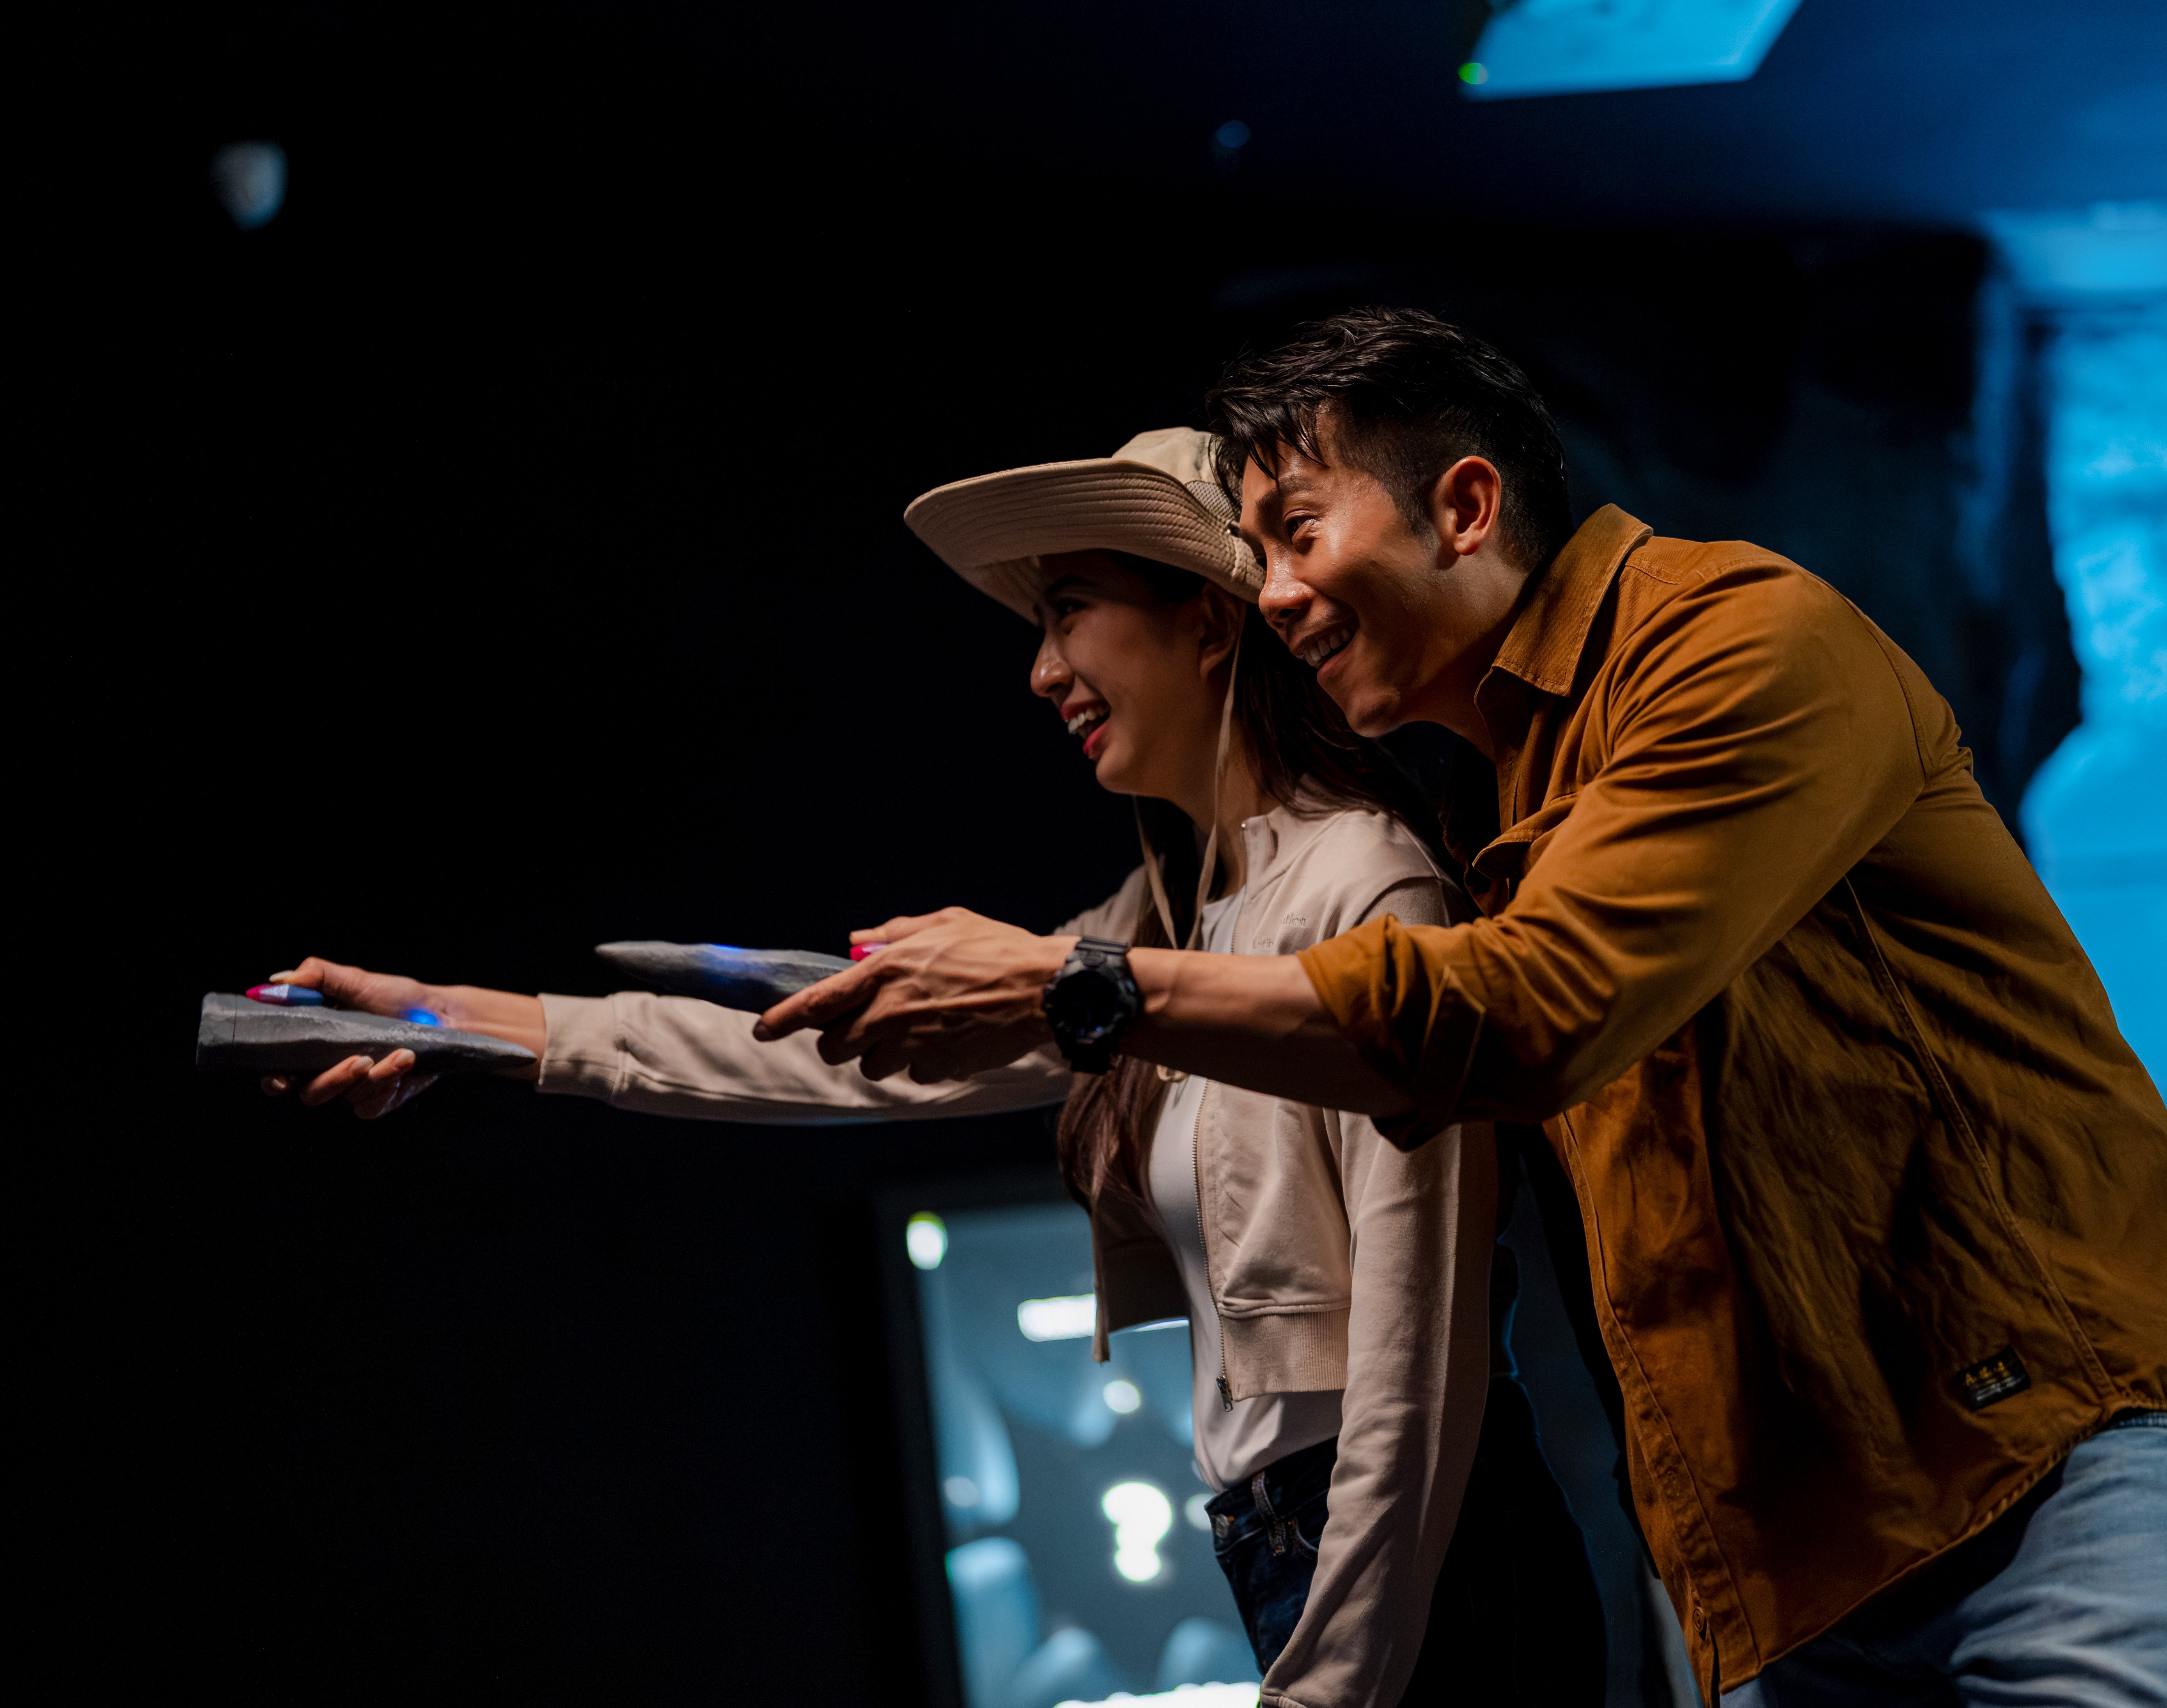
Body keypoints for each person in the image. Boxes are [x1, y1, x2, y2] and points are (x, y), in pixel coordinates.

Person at [762, 316, 2167, 1708]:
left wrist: (1089, 989)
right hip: (1793, 1560)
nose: (1274, 592)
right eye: (1254, 554)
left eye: (1298, 532)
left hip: (2046, 1466)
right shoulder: (1489, 799)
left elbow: (1538, 1010)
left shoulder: (1736, 640)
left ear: (1464, 506)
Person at [257, 427, 1603, 1708]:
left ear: (1208, 619)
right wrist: (452, 1021)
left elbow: (1419, 1373)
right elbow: (838, 1055)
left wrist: (1328, 1683)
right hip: (1308, 1565)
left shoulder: (1368, 888)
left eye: (1071, 611)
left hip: (1428, 1585)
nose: (1042, 671)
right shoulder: (1175, 919)